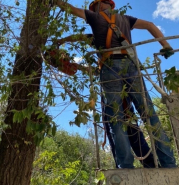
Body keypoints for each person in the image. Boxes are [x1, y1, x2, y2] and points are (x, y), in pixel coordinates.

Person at [51, 0, 176, 168]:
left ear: (98, 6)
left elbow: (71, 10)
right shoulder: (125, 19)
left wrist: (55, 4)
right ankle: (168, 163)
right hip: (131, 65)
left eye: (94, 7)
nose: (94, 9)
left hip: (110, 68)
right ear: (110, 5)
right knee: (149, 114)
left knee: (116, 119)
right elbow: (150, 25)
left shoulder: (95, 18)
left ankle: (126, 166)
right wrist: (166, 45)